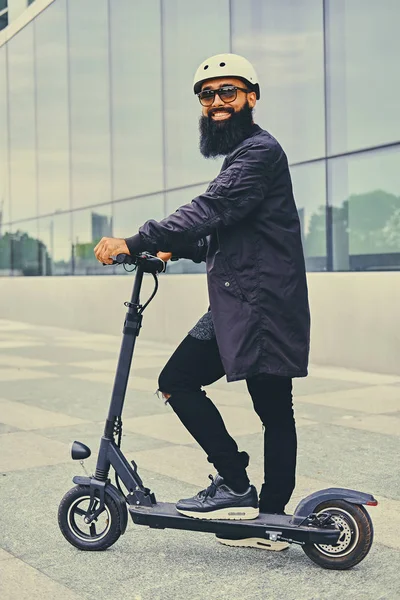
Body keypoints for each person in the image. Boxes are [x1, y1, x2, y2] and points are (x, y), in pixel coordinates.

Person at [94, 53, 310, 551]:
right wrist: (175, 246)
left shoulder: (258, 153)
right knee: (181, 383)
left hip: (262, 307)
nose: (216, 103)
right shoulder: (245, 156)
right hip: (243, 301)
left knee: (271, 408)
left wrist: (136, 238)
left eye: (227, 93)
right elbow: (223, 232)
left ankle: (268, 515)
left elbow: (212, 209)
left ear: (251, 97)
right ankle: (239, 487)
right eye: (207, 95)